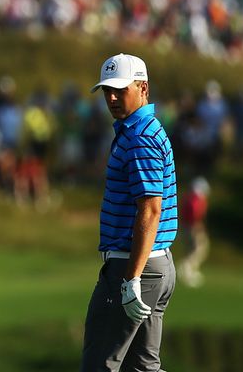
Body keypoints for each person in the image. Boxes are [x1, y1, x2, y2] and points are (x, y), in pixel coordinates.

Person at [81, 53, 178, 371]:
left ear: (143, 88)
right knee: (142, 368)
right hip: (155, 265)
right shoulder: (142, 129)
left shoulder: (140, 138)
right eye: (107, 91)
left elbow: (150, 210)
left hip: (134, 266)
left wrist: (131, 279)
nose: (111, 98)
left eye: (120, 90)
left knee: (99, 365)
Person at [179, 176, 210, 287]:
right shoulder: (197, 199)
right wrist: (196, 224)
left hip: (186, 226)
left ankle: (189, 272)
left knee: (191, 249)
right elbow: (195, 212)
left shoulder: (188, 197)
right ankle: (185, 268)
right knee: (199, 249)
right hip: (194, 226)